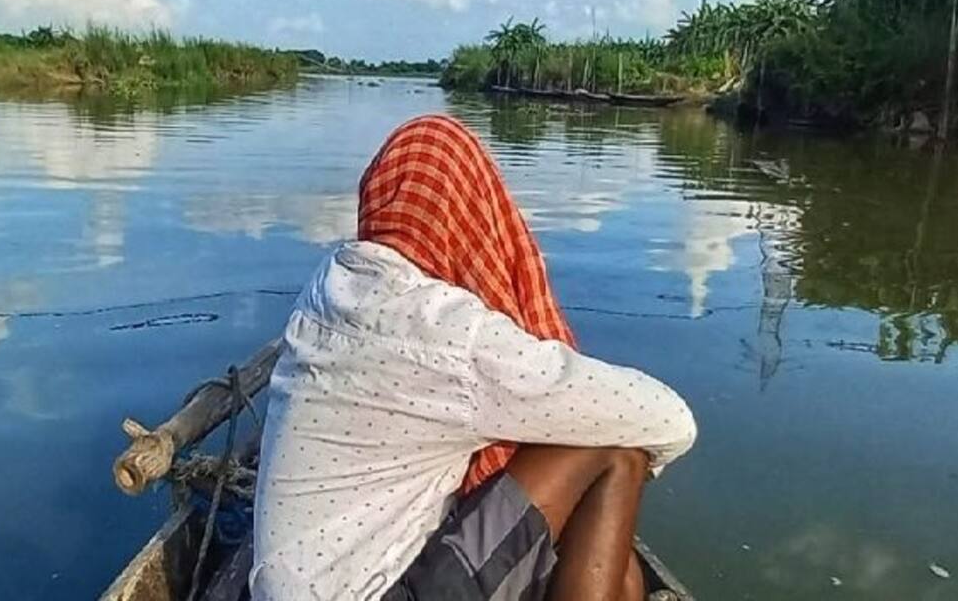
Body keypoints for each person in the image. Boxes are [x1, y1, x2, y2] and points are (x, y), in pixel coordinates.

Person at [252, 115, 697, 601]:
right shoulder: (445, 332)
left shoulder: (333, 282)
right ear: (468, 213)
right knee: (614, 453)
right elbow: (670, 419)